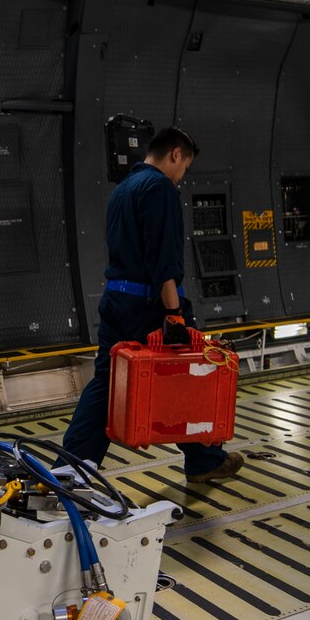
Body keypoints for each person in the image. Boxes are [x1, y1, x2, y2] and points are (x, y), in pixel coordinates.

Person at [61, 126, 244, 483]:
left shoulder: (124, 188)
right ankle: (205, 460)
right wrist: (174, 313)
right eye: (185, 166)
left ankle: (74, 465)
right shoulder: (159, 188)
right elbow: (163, 260)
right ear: (176, 154)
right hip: (149, 303)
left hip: (116, 298)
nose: (182, 174)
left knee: (106, 379)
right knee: (189, 372)